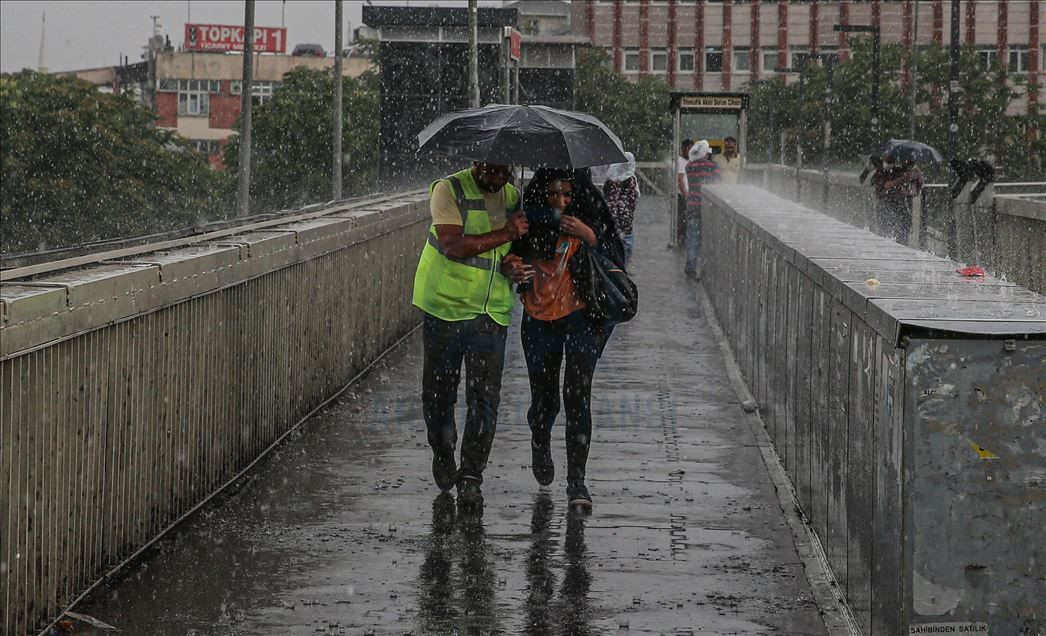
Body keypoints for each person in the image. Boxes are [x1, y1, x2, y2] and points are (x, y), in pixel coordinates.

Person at [412, 161, 532, 506]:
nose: (497, 180)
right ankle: (443, 448)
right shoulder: (448, 190)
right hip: (446, 307)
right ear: (477, 163)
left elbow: (509, 254)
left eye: (504, 173)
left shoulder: (513, 196)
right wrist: (507, 234)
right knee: (439, 393)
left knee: (484, 399)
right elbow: (452, 245)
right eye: (491, 172)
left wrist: (513, 264)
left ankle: (470, 475)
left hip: (491, 311)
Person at [510, 168, 625, 509]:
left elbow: (616, 257)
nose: (561, 202)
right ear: (540, 194)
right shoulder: (528, 219)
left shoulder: (592, 214)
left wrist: (589, 234)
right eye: (553, 194)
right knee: (545, 399)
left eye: (568, 195)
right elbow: (511, 253)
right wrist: (514, 265)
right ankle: (540, 436)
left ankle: (577, 482)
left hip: (583, 318)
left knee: (578, 396)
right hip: (540, 319)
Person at [684, 140, 720, 278]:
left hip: (692, 205)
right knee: (707, 238)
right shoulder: (712, 166)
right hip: (707, 207)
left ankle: (690, 266)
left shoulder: (689, 166)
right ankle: (704, 269)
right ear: (706, 152)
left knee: (692, 237)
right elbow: (717, 183)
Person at [602, 151, 640, 269]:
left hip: (610, 226)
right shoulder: (630, 181)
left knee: (612, 256)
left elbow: (609, 203)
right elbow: (627, 206)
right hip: (624, 226)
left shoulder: (609, 181)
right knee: (624, 254)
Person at [675, 139, 694, 246]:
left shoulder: (690, 161)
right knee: (683, 219)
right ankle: (681, 240)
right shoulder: (681, 161)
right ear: (684, 149)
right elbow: (680, 180)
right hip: (683, 195)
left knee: (687, 218)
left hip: (690, 194)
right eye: (689, 149)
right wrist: (686, 194)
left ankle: (685, 239)